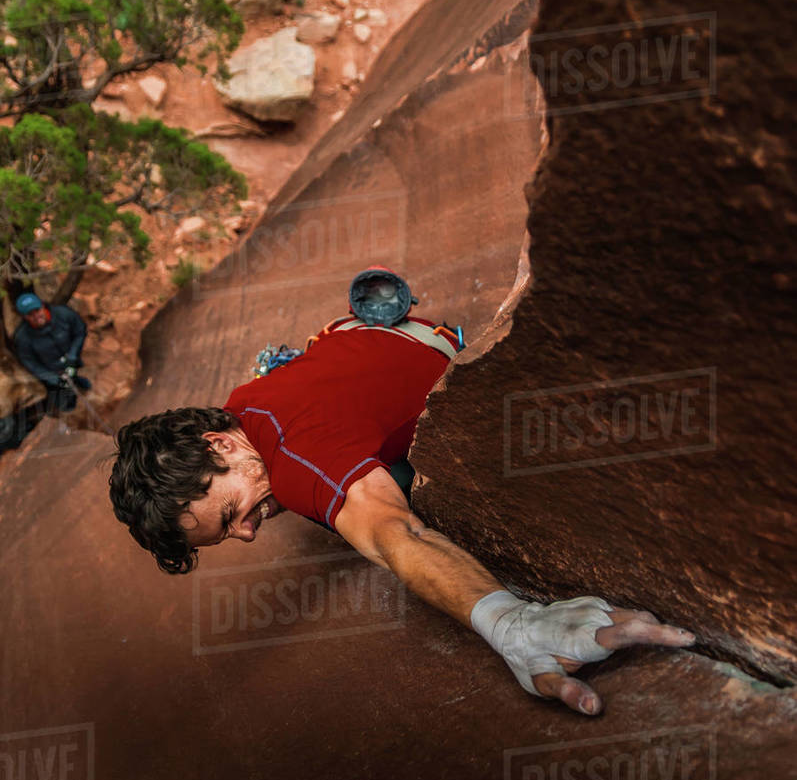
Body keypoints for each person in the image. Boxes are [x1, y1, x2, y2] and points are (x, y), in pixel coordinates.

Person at [109, 273, 695, 716]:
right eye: (229, 534)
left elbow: (398, 535)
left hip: (446, 375)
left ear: (221, 445)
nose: (247, 532)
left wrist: (513, 624)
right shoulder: (247, 401)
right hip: (399, 336)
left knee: (403, 496)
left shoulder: (292, 464)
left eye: (231, 513)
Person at [13, 292, 92, 415]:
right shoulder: (23, 338)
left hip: (71, 360)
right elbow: (31, 364)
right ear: (25, 317)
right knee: (64, 401)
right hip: (52, 373)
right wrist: (54, 379)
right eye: (30, 314)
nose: (36, 316)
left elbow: (80, 331)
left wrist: (72, 356)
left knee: (80, 380)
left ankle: (80, 383)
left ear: (43, 306)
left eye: (37, 310)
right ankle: (69, 412)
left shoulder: (63, 314)